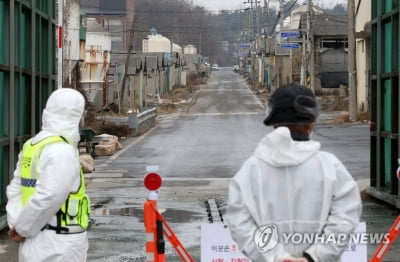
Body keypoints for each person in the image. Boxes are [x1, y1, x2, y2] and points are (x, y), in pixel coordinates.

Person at [225, 84, 362, 262]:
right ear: (310, 124)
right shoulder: (330, 167)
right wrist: (314, 256)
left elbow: (240, 224)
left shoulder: (251, 171)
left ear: (273, 122)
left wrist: (277, 257)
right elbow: (345, 218)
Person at [6, 88, 90, 262]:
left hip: (33, 242)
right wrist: (22, 229)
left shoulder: (34, 145)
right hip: (59, 244)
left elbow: (16, 189)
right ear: (76, 117)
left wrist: (17, 225)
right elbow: (50, 196)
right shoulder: (62, 151)